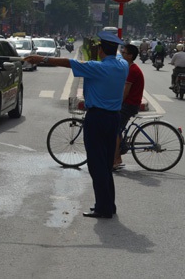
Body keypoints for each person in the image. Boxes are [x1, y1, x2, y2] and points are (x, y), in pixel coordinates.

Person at [25, 31, 128, 219]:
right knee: (105, 164)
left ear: (102, 50)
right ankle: (108, 205)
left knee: (97, 165)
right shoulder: (123, 66)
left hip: (97, 118)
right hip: (113, 118)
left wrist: (42, 59)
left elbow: (67, 63)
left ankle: (103, 208)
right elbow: (114, 56)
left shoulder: (97, 67)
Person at [113, 44, 144, 170]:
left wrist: (116, 103)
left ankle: (116, 160)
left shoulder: (132, 70)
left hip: (129, 105)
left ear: (130, 56)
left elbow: (125, 92)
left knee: (114, 130)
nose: (122, 54)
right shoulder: (129, 67)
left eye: (124, 53)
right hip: (129, 103)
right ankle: (120, 150)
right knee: (117, 128)